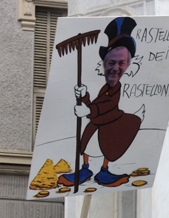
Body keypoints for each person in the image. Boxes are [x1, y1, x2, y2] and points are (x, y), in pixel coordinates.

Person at [60, 17, 142, 188]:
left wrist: (89, 111)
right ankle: (86, 169)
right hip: (97, 124)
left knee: (106, 146)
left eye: (122, 63)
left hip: (108, 125)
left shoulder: (116, 87)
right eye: (111, 62)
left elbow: (107, 105)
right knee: (87, 146)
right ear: (103, 64)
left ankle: (103, 170)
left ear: (128, 66)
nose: (116, 68)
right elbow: (97, 103)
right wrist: (84, 96)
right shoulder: (105, 86)